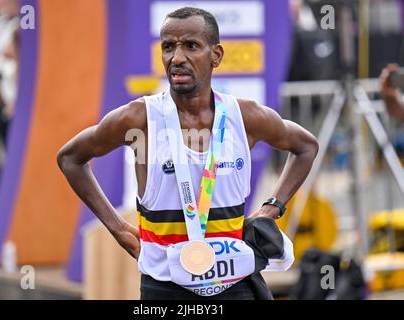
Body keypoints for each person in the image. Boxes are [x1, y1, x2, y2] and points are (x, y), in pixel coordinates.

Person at [58, 7, 319, 300]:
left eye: (191, 46)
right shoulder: (139, 118)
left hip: (235, 284)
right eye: (168, 47)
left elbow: (306, 147)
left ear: (216, 55)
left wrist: (272, 207)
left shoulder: (244, 117)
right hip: (167, 288)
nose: (177, 58)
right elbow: (70, 158)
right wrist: (117, 227)